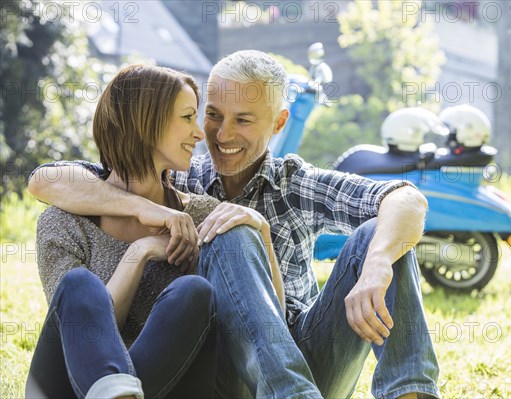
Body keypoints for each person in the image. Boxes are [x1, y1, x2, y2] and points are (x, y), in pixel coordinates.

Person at [29, 51, 440, 399]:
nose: (218, 134)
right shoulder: (180, 172)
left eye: (243, 120)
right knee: (227, 230)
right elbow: (47, 179)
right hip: (228, 367)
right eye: (210, 115)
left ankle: (409, 391)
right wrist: (145, 211)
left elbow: (406, 199)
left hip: (312, 356)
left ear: (278, 124)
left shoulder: (293, 183)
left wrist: (377, 263)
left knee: (380, 236)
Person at [25, 64, 298, 399]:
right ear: (145, 124)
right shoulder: (64, 222)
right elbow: (84, 338)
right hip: (70, 386)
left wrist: (261, 228)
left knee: (194, 291)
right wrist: (140, 253)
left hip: (168, 387)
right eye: (187, 117)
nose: (200, 134)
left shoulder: (201, 215)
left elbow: (270, 327)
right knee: (79, 285)